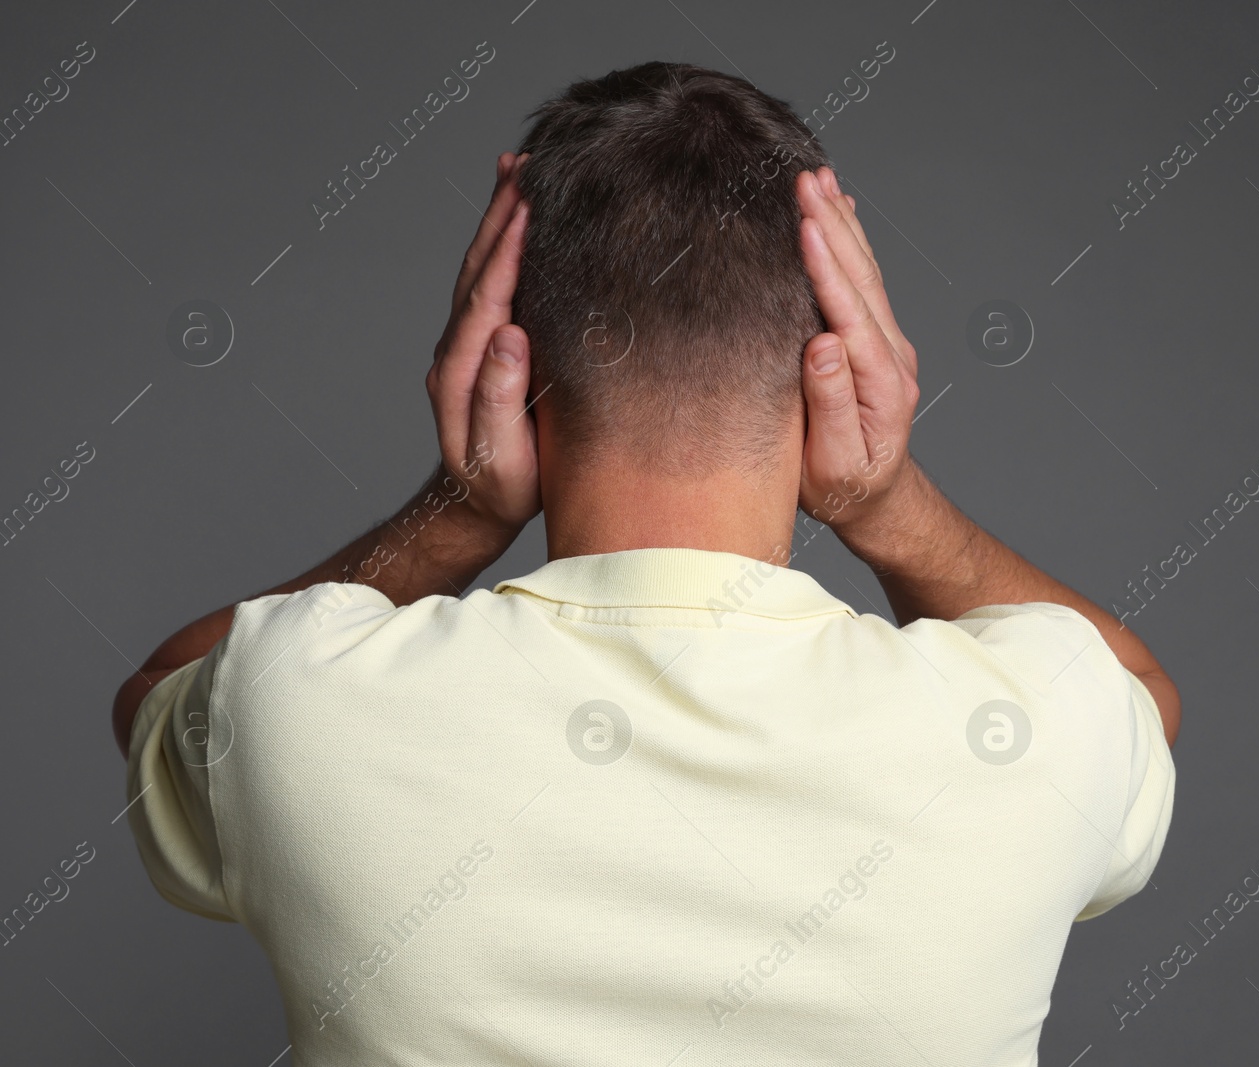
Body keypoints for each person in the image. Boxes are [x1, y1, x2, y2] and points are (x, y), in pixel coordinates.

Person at [114, 62, 1178, 1066]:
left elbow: (158, 696)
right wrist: (889, 503)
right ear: (837, 378)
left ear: (503, 362)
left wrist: (460, 509)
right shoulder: (1040, 721)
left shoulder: (301, 696)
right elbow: (1140, 696)